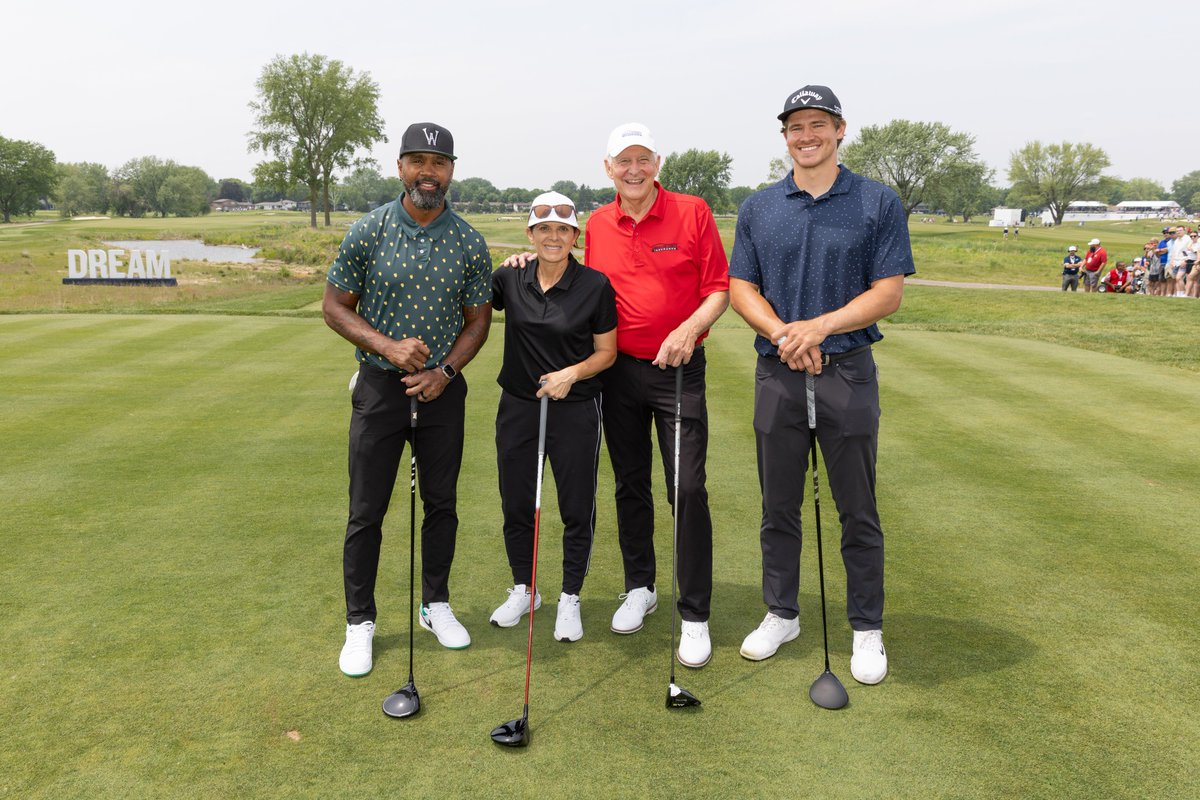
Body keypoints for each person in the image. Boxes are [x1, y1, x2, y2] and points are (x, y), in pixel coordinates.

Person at [502, 123, 730, 668]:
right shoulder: (598, 223)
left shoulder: (693, 211)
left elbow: (717, 288)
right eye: (622, 161)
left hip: (677, 368)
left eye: (642, 159)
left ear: (657, 162)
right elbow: (569, 273)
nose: (633, 170)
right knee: (631, 484)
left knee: (687, 486)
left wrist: (687, 331)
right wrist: (520, 261)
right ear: (608, 169)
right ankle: (640, 587)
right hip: (617, 373)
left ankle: (694, 612)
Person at [728, 85, 915, 686]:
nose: (805, 136)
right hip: (777, 372)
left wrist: (819, 328)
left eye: (817, 125)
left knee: (857, 508)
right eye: (794, 127)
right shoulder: (760, 206)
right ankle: (782, 612)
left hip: (848, 372)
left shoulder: (876, 201)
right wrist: (788, 334)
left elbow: (887, 291)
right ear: (784, 136)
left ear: (840, 130)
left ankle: (866, 628)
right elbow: (740, 289)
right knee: (777, 505)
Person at [324, 122, 493, 677]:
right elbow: (334, 306)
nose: (429, 172)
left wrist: (445, 369)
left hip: (442, 390)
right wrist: (388, 347)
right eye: (418, 161)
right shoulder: (369, 230)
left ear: (450, 171)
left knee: (441, 505)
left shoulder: (468, 240)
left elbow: (478, 321)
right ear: (400, 167)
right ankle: (359, 622)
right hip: (379, 387)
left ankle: (435, 605)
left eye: (439, 163)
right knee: (366, 511)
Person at [489, 192, 618, 643]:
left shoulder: (595, 285)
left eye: (563, 229)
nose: (553, 237)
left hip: (576, 409)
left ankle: (570, 597)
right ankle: (525, 588)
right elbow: (469, 310)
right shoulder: (509, 277)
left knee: (576, 507)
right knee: (517, 504)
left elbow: (607, 352)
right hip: (519, 408)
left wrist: (571, 374)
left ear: (574, 236)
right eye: (543, 229)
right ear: (530, 234)